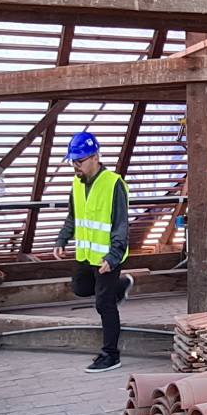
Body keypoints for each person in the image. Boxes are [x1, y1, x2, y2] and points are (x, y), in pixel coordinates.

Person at [52, 131, 133, 372]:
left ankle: (111, 355)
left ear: (95, 157)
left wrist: (114, 256)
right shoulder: (76, 184)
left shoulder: (113, 184)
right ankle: (121, 286)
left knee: (103, 304)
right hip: (85, 254)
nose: (75, 166)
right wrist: (62, 238)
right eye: (72, 162)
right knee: (80, 288)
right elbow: (73, 216)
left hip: (108, 257)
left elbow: (121, 225)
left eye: (79, 161)